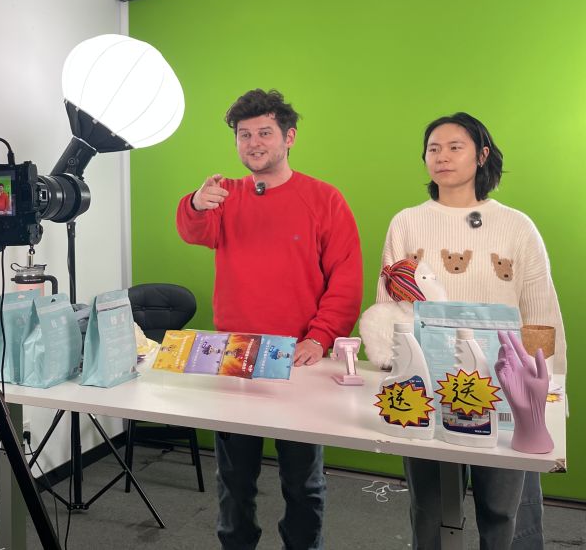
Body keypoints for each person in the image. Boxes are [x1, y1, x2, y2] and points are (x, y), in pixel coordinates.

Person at [176, 88, 363, 550]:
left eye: (264, 133)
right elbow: (193, 231)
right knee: (234, 479)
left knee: (303, 481)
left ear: (289, 137)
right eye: (244, 135)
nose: (253, 143)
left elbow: (346, 278)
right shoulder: (226, 194)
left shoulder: (324, 198)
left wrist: (320, 337)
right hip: (236, 355)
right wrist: (197, 202)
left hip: (299, 357)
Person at [375, 112, 566, 549]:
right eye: (433, 148)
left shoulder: (516, 225)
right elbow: (390, 306)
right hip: (426, 383)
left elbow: (540, 310)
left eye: (454, 147)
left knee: (503, 510)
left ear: (481, 155)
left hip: (505, 387)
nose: (441, 156)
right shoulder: (406, 222)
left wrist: (548, 389)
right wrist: (393, 369)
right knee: (430, 508)